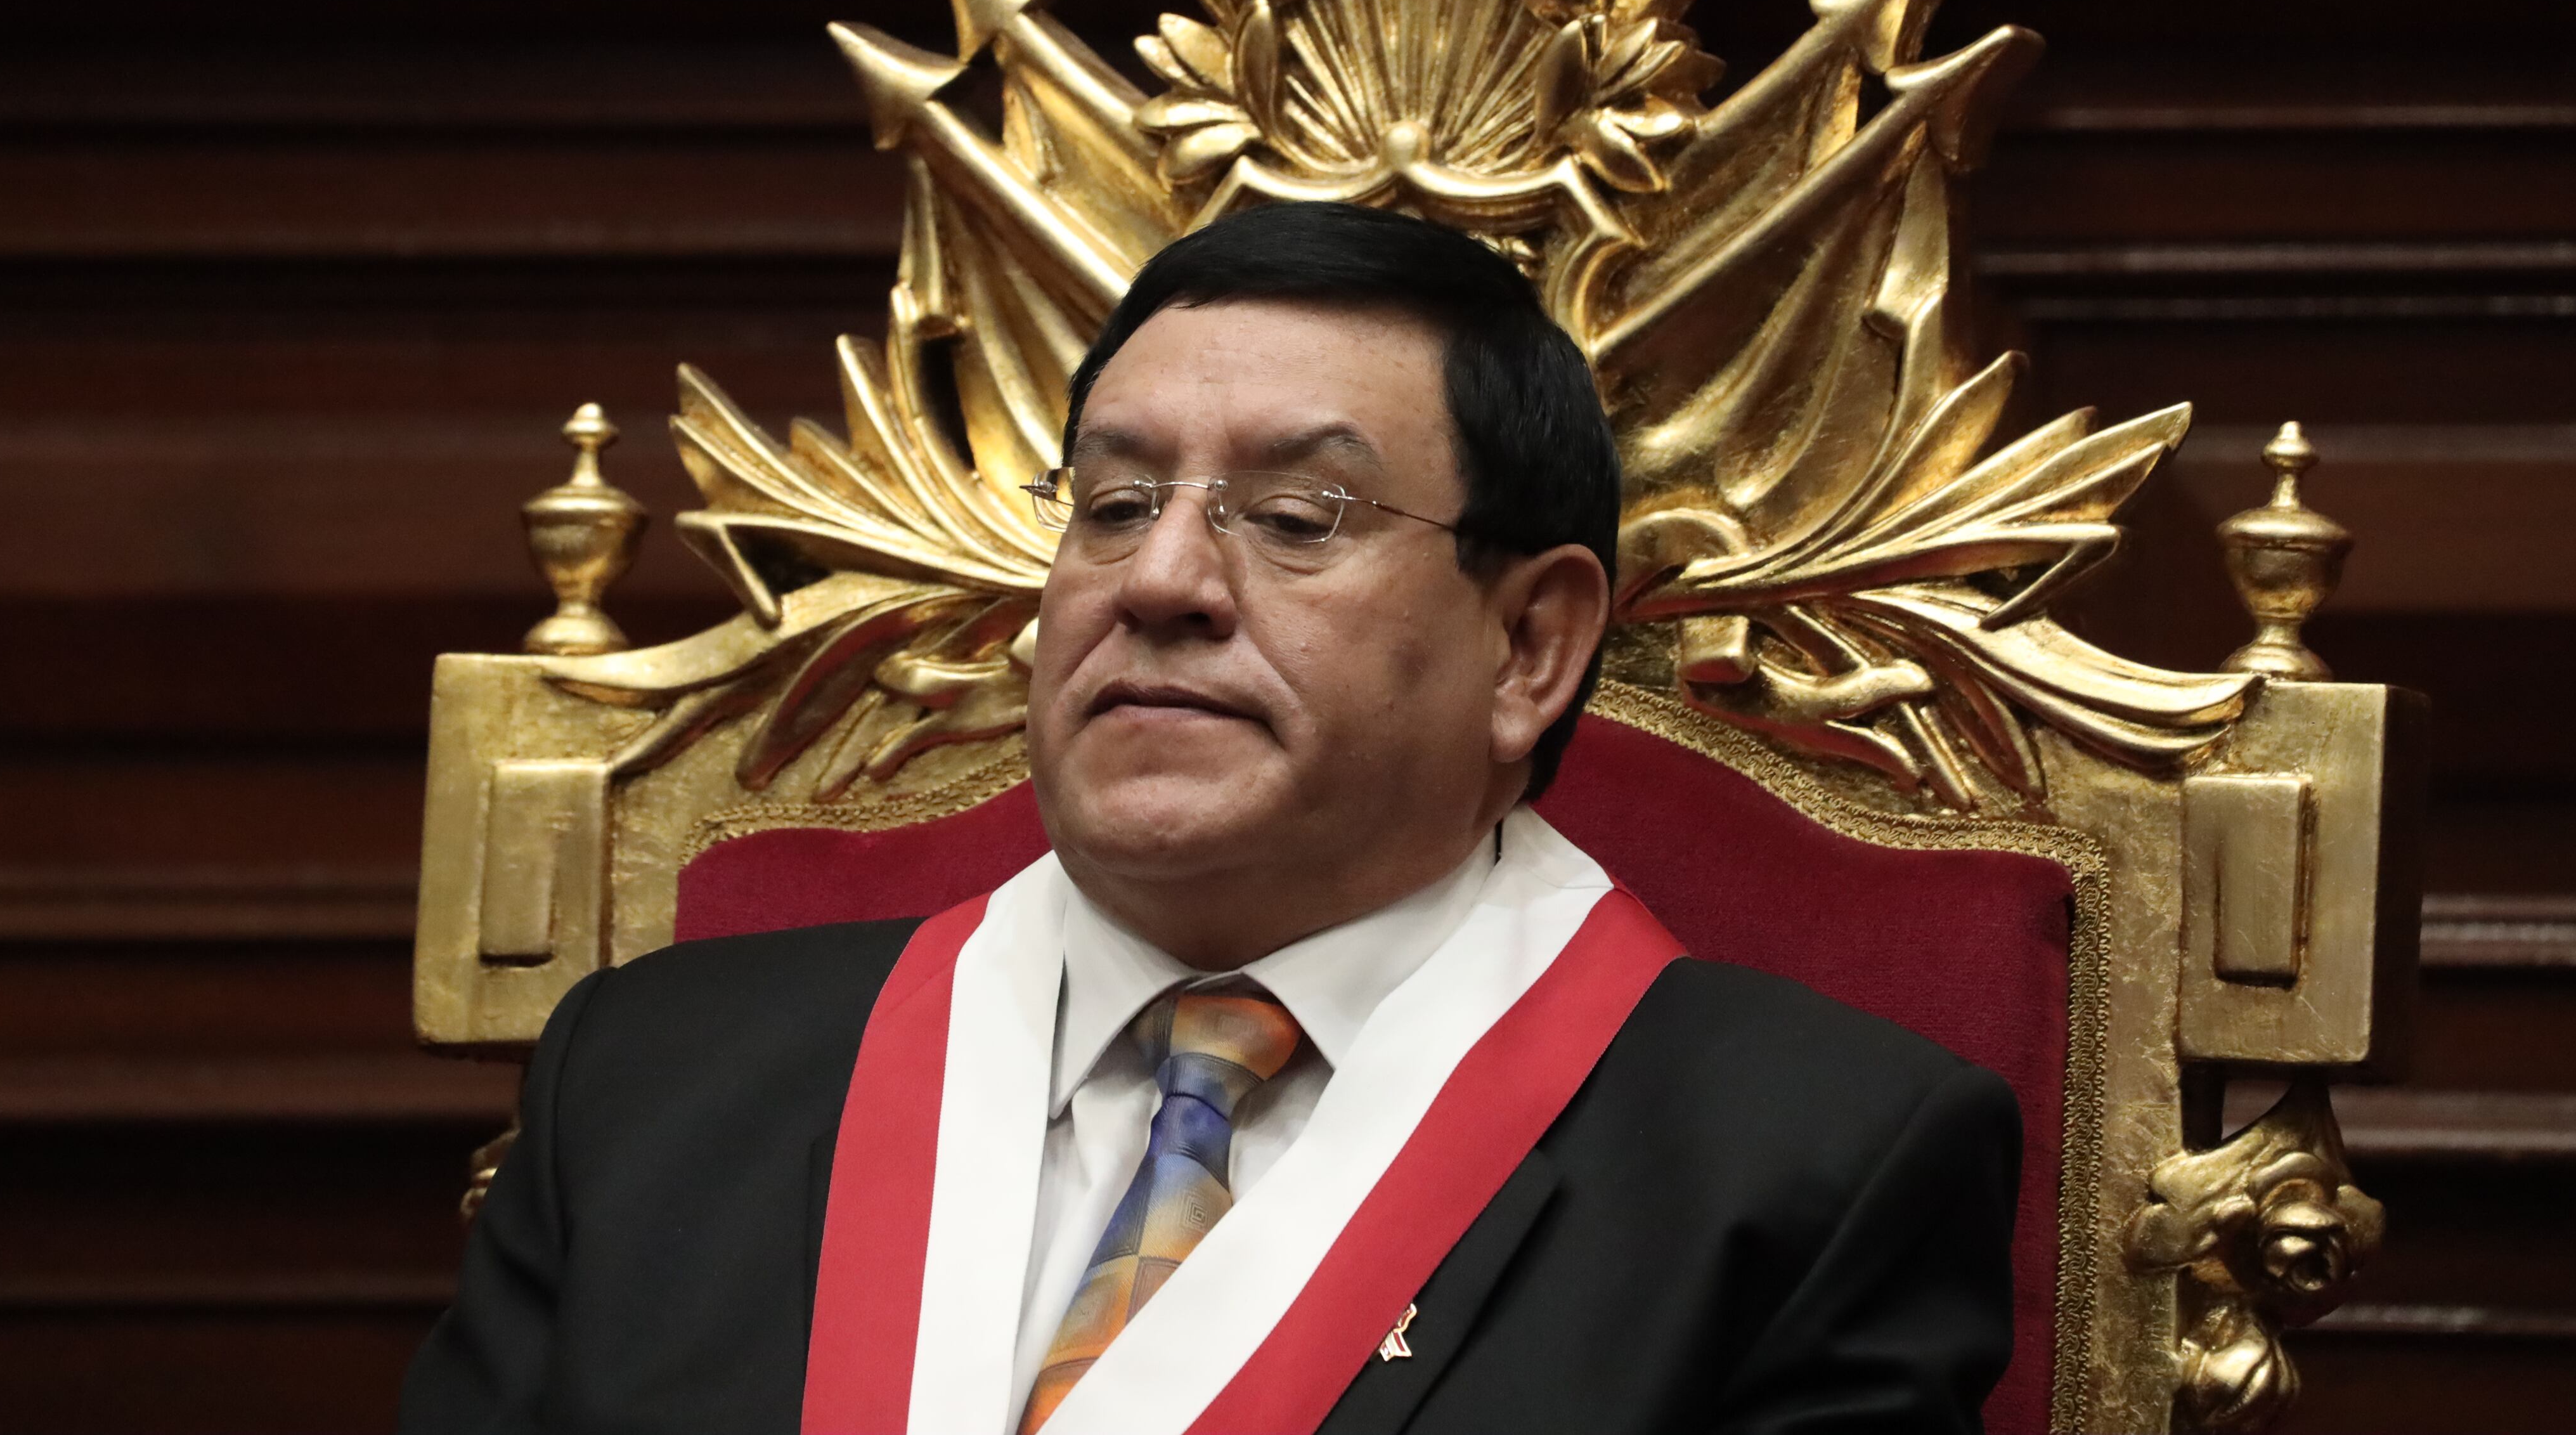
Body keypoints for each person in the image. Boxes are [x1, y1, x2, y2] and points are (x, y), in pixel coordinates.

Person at [401, 202, 2018, 1435]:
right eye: (1113, 503)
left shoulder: (1803, 1170)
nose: (1160, 580)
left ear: (1530, 642)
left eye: (1297, 515)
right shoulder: (654, 1079)